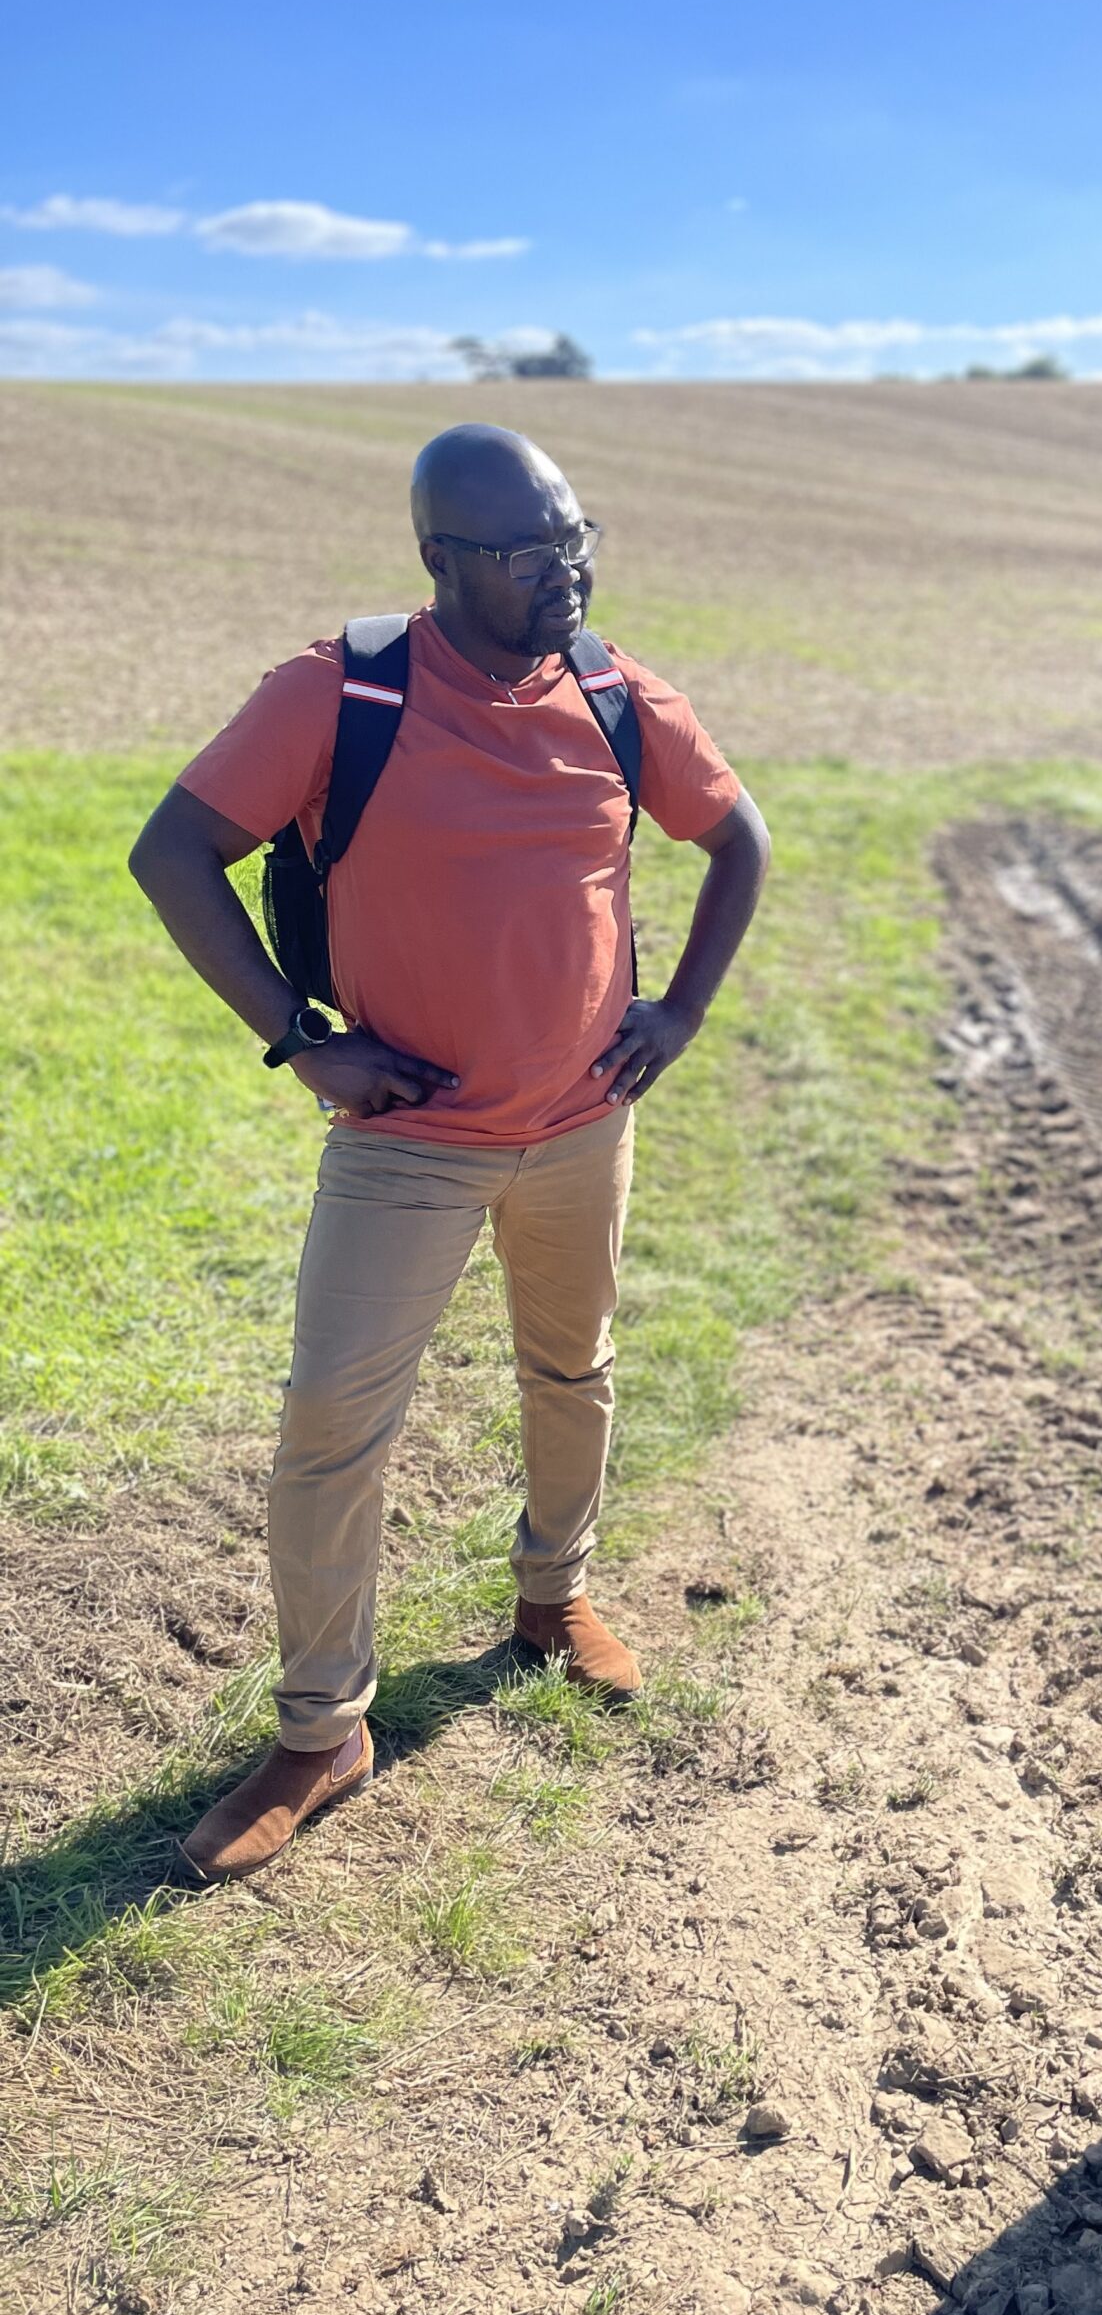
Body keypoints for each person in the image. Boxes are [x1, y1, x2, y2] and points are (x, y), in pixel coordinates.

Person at [130, 424, 769, 1884]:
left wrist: (675, 1012)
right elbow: (173, 852)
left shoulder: (613, 693)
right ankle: (320, 1729)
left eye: (576, 537)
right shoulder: (338, 691)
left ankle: (553, 1601)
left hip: (580, 1126)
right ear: (441, 561)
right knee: (331, 1423)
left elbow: (741, 844)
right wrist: (301, 1037)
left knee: (575, 1370)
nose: (568, 571)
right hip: (404, 1140)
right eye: (530, 552)